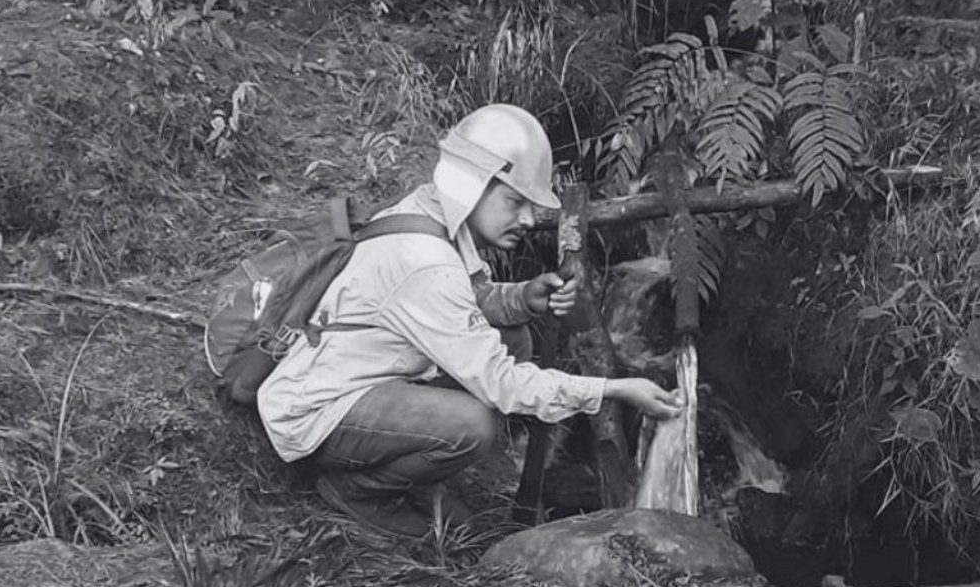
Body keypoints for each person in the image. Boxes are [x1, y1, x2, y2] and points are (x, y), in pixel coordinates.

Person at [257, 103, 682, 536]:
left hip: (365, 374)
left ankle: (414, 463)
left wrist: (522, 298)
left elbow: (470, 300)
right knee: (472, 425)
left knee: (513, 338)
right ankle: (359, 488)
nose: (530, 219)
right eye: (514, 201)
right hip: (318, 411)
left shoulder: (430, 210)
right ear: (471, 185)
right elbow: (505, 384)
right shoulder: (427, 265)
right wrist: (616, 388)